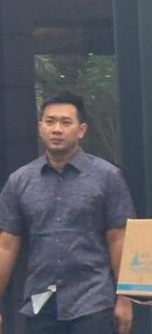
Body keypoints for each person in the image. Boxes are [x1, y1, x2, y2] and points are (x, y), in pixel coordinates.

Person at [0, 92, 136, 334]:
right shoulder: (19, 181)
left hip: (93, 300)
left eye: (65, 122)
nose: (56, 129)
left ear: (81, 130)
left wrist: (125, 299)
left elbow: (120, 239)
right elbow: (6, 246)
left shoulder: (107, 177)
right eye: (50, 121)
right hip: (40, 302)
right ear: (40, 127)